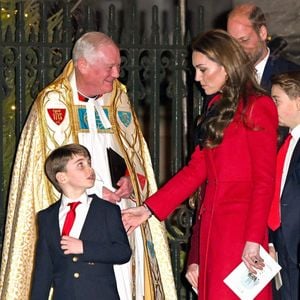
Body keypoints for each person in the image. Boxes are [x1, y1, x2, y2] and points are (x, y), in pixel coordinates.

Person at [0, 32, 176, 300]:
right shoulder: (52, 103)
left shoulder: (119, 99)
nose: (117, 74)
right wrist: (93, 192)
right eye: (109, 67)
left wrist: (130, 179)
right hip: (79, 222)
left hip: (120, 213)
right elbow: (44, 173)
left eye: (118, 66)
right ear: (83, 65)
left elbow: (133, 154)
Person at [122, 29, 278, 299]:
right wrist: (149, 209)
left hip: (241, 231)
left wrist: (253, 239)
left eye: (203, 69)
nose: (197, 78)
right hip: (214, 228)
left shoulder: (257, 105)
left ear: (226, 66)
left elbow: (265, 179)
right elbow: (197, 169)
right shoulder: (216, 106)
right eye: (196, 70)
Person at [31, 143, 132, 299]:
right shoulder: (47, 217)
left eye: (89, 163)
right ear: (62, 177)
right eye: (80, 165)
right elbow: (43, 271)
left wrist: (84, 248)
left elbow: (123, 252)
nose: (89, 169)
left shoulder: (107, 210)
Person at [268, 71, 300, 300]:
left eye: (276, 100)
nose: (271, 106)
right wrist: (271, 238)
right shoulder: (286, 142)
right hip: (282, 244)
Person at [227, 3, 299, 92]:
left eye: (244, 40)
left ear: (262, 33)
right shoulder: (226, 76)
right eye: (232, 42)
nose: (237, 49)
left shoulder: (292, 75)